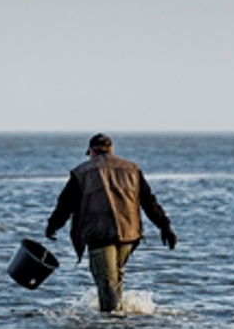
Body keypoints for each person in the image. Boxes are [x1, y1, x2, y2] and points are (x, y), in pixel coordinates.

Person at [45, 133, 177, 312]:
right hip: (128, 235)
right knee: (115, 282)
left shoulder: (81, 173)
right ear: (111, 150)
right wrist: (165, 226)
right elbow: (149, 202)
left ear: (91, 152)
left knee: (107, 285)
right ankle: (120, 327)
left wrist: (53, 226)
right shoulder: (132, 169)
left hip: (99, 235)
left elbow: (65, 205)